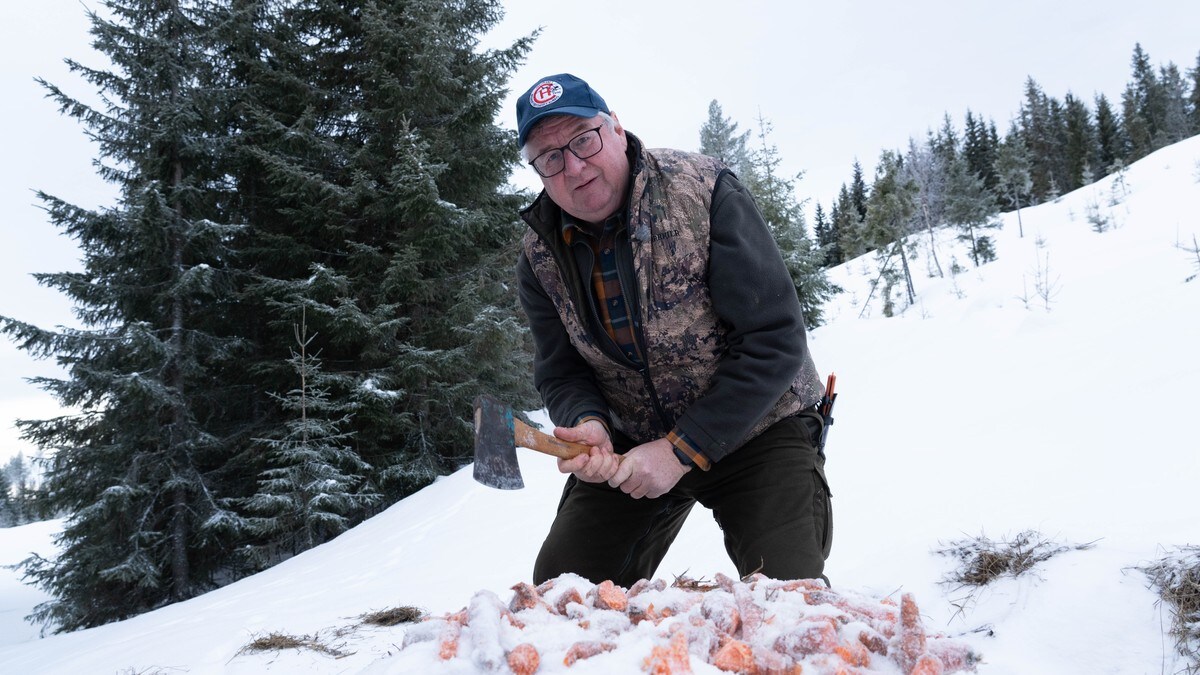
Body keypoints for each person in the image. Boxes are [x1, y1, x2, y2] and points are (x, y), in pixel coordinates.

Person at [514, 73, 832, 588]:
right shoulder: (538, 256)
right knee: (562, 594)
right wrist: (588, 422)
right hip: (632, 448)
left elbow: (774, 339)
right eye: (550, 158)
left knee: (788, 596)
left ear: (615, 127)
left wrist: (682, 450)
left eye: (582, 139)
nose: (573, 166)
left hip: (755, 428)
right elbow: (561, 369)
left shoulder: (703, 191)